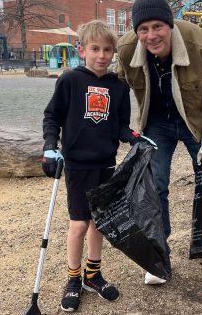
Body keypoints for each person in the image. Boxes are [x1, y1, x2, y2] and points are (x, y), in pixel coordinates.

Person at [117, 0, 202, 284]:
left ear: (169, 24)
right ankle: (157, 252)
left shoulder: (201, 43)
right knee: (154, 187)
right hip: (156, 123)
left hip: (196, 119)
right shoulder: (128, 48)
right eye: (143, 29)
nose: (151, 35)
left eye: (157, 26)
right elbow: (118, 86)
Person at [42, 20, 145, 312]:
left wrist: (135, 137)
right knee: (78, 224)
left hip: (105, 164)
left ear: (114, 52)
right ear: (82, 49)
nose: (102, 55)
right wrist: (50, 147)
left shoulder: (118, 87)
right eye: (95, 49)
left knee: (98, 223)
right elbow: (52, 116)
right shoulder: (70, 80)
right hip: (77, 165)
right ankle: (73, 278)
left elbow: (120, 127)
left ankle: (93, 274)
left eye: (108, 50)